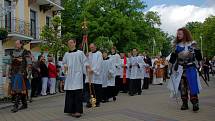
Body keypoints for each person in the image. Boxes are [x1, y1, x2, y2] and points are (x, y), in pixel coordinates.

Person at [168, 28, 202, 112]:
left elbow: (198, 57)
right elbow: (172, 58)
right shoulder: (176, 46)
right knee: (183, 87)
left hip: (191, 68)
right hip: (180, 69)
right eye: (178, 34)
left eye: (180, 34)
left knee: (192, 85)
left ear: (185, 34)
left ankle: (195, 103)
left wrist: (197, 53)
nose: (178, 35)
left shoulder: (192, 44)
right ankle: (185, 103)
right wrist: (170, 68)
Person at [63, 39, 89, 118]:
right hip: (69, 77)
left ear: (75, 43)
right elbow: (63, 63)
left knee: (77, 94)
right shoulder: (66, 54)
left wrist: (87, 69)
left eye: (71, 42)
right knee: (70, 94)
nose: (70, 44)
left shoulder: (80, 53)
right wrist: (64, 67)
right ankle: (70, 110)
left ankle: (78, 111)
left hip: (77, 76)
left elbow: (85, 62)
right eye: (68, 43)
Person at [10, 40, 31, 113]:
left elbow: (29, 63)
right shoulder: (12, 52)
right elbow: (10, 63)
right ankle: (24, 104)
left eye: (17, 44)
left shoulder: (26, 52)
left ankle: (15, 106)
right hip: (14, 72)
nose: (16, 45)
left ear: (21, 44)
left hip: (21, 72)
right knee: (20, 88)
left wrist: (29, 74)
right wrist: (8, 72)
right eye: (15, 44)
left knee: (18, 88)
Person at [85, 43, 103, 107]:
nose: (91, 48)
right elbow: (86, 62)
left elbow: (99, 63)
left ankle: (96, 102)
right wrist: (86, 57)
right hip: (89, 75)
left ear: (95, 47)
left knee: (96, 90)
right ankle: (89, 102)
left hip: (95, 75)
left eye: (92, 47)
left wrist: (93, 70)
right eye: (90, 47)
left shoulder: (99, 53)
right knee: (89, 89)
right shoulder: (89, 54)